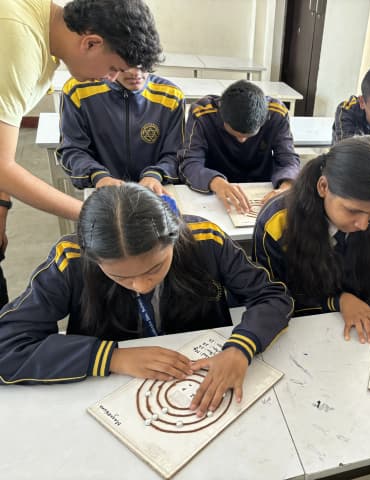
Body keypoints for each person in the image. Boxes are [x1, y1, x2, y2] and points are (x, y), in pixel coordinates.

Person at [0, 183, 293, 415]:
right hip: (109, 394)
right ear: (93, 257)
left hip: (199, 380)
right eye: (120, 277)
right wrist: (112, 357)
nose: (140, 286)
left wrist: (240, 348)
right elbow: (7, 344)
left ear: (174, 238)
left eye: (155, 268)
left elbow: (271, 296)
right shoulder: (71, 260)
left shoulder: (207, 240)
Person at [0, 0, 162, 306]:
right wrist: (97, 214)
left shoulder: (39, 26)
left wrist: (2, 205)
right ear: (91, 42)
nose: (111, 79)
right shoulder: (20, 41)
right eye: (114, 68)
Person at [253, 135, 370, 371]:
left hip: (364, 325)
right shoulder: (277, 221)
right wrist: (338, 300)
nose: (364, 224)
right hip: (300, 332)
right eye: (352, 211)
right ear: (323, 187)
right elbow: (273, 295)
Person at [57, 67, 184, 195]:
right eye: (127, 65)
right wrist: (98, 176)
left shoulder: (171, 95)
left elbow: (176, 153)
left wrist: (156, 175)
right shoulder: (78, 90)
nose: (136, 73)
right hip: (101, 188)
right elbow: (72, 149)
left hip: (155, 189)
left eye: (144, 65)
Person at [179, 80, 300, 214]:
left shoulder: (276, 112)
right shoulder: (202, 113)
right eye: (235, 134)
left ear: (265, 119)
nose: (242, 141)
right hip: (214, 190)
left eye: (249, 136)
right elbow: (189, 163)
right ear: (222, 116)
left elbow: (288, 160)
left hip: (262, 188)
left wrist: (286, 187)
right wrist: (216, 182)